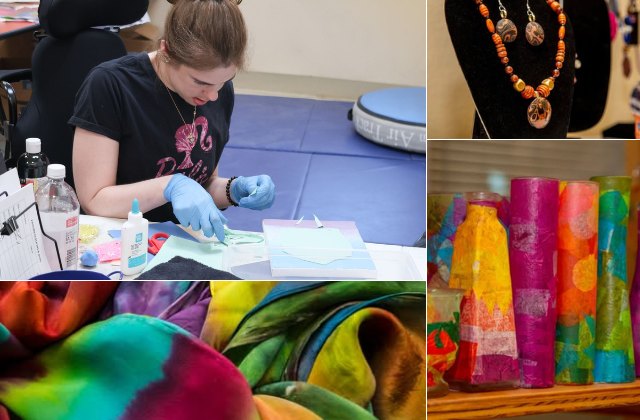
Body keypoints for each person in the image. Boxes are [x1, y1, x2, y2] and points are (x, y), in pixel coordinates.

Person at [70, 0, 275, 243]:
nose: (212, 95)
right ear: (166, 52)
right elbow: (95, 201)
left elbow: (203, 183)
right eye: (200, 82)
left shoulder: (219, 92)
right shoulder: (111, 85)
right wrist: (169, 186)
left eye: (224, 80)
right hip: (121, 240)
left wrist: (234, 190)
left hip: (182, 240)